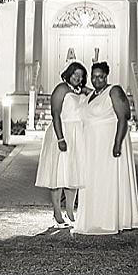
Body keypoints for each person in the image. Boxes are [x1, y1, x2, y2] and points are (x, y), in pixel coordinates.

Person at [72, 61, 138, 235]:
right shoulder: (91, 94)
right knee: (93, 179)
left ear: (106, 76)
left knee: (107, 180)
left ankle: (111, 218)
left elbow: (124, 117)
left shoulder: (114, 90)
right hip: (91, 146)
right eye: (93, 77)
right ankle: (94, 217)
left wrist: (117, 143)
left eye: (100, 76)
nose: (97, 80)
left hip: (108, 143)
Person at [34, 61, 90, 228]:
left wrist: (87, 90)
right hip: (62, 131)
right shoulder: (61, 89)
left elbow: (96, 96)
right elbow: (55, 114)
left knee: (74, 173)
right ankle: (57, 213)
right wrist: (60, 138)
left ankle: (71, 212)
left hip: (78, 135)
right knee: (58, 174)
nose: (77, 78)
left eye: (81, 76)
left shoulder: (80, 91)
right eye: (75, 74)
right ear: (69, 73)